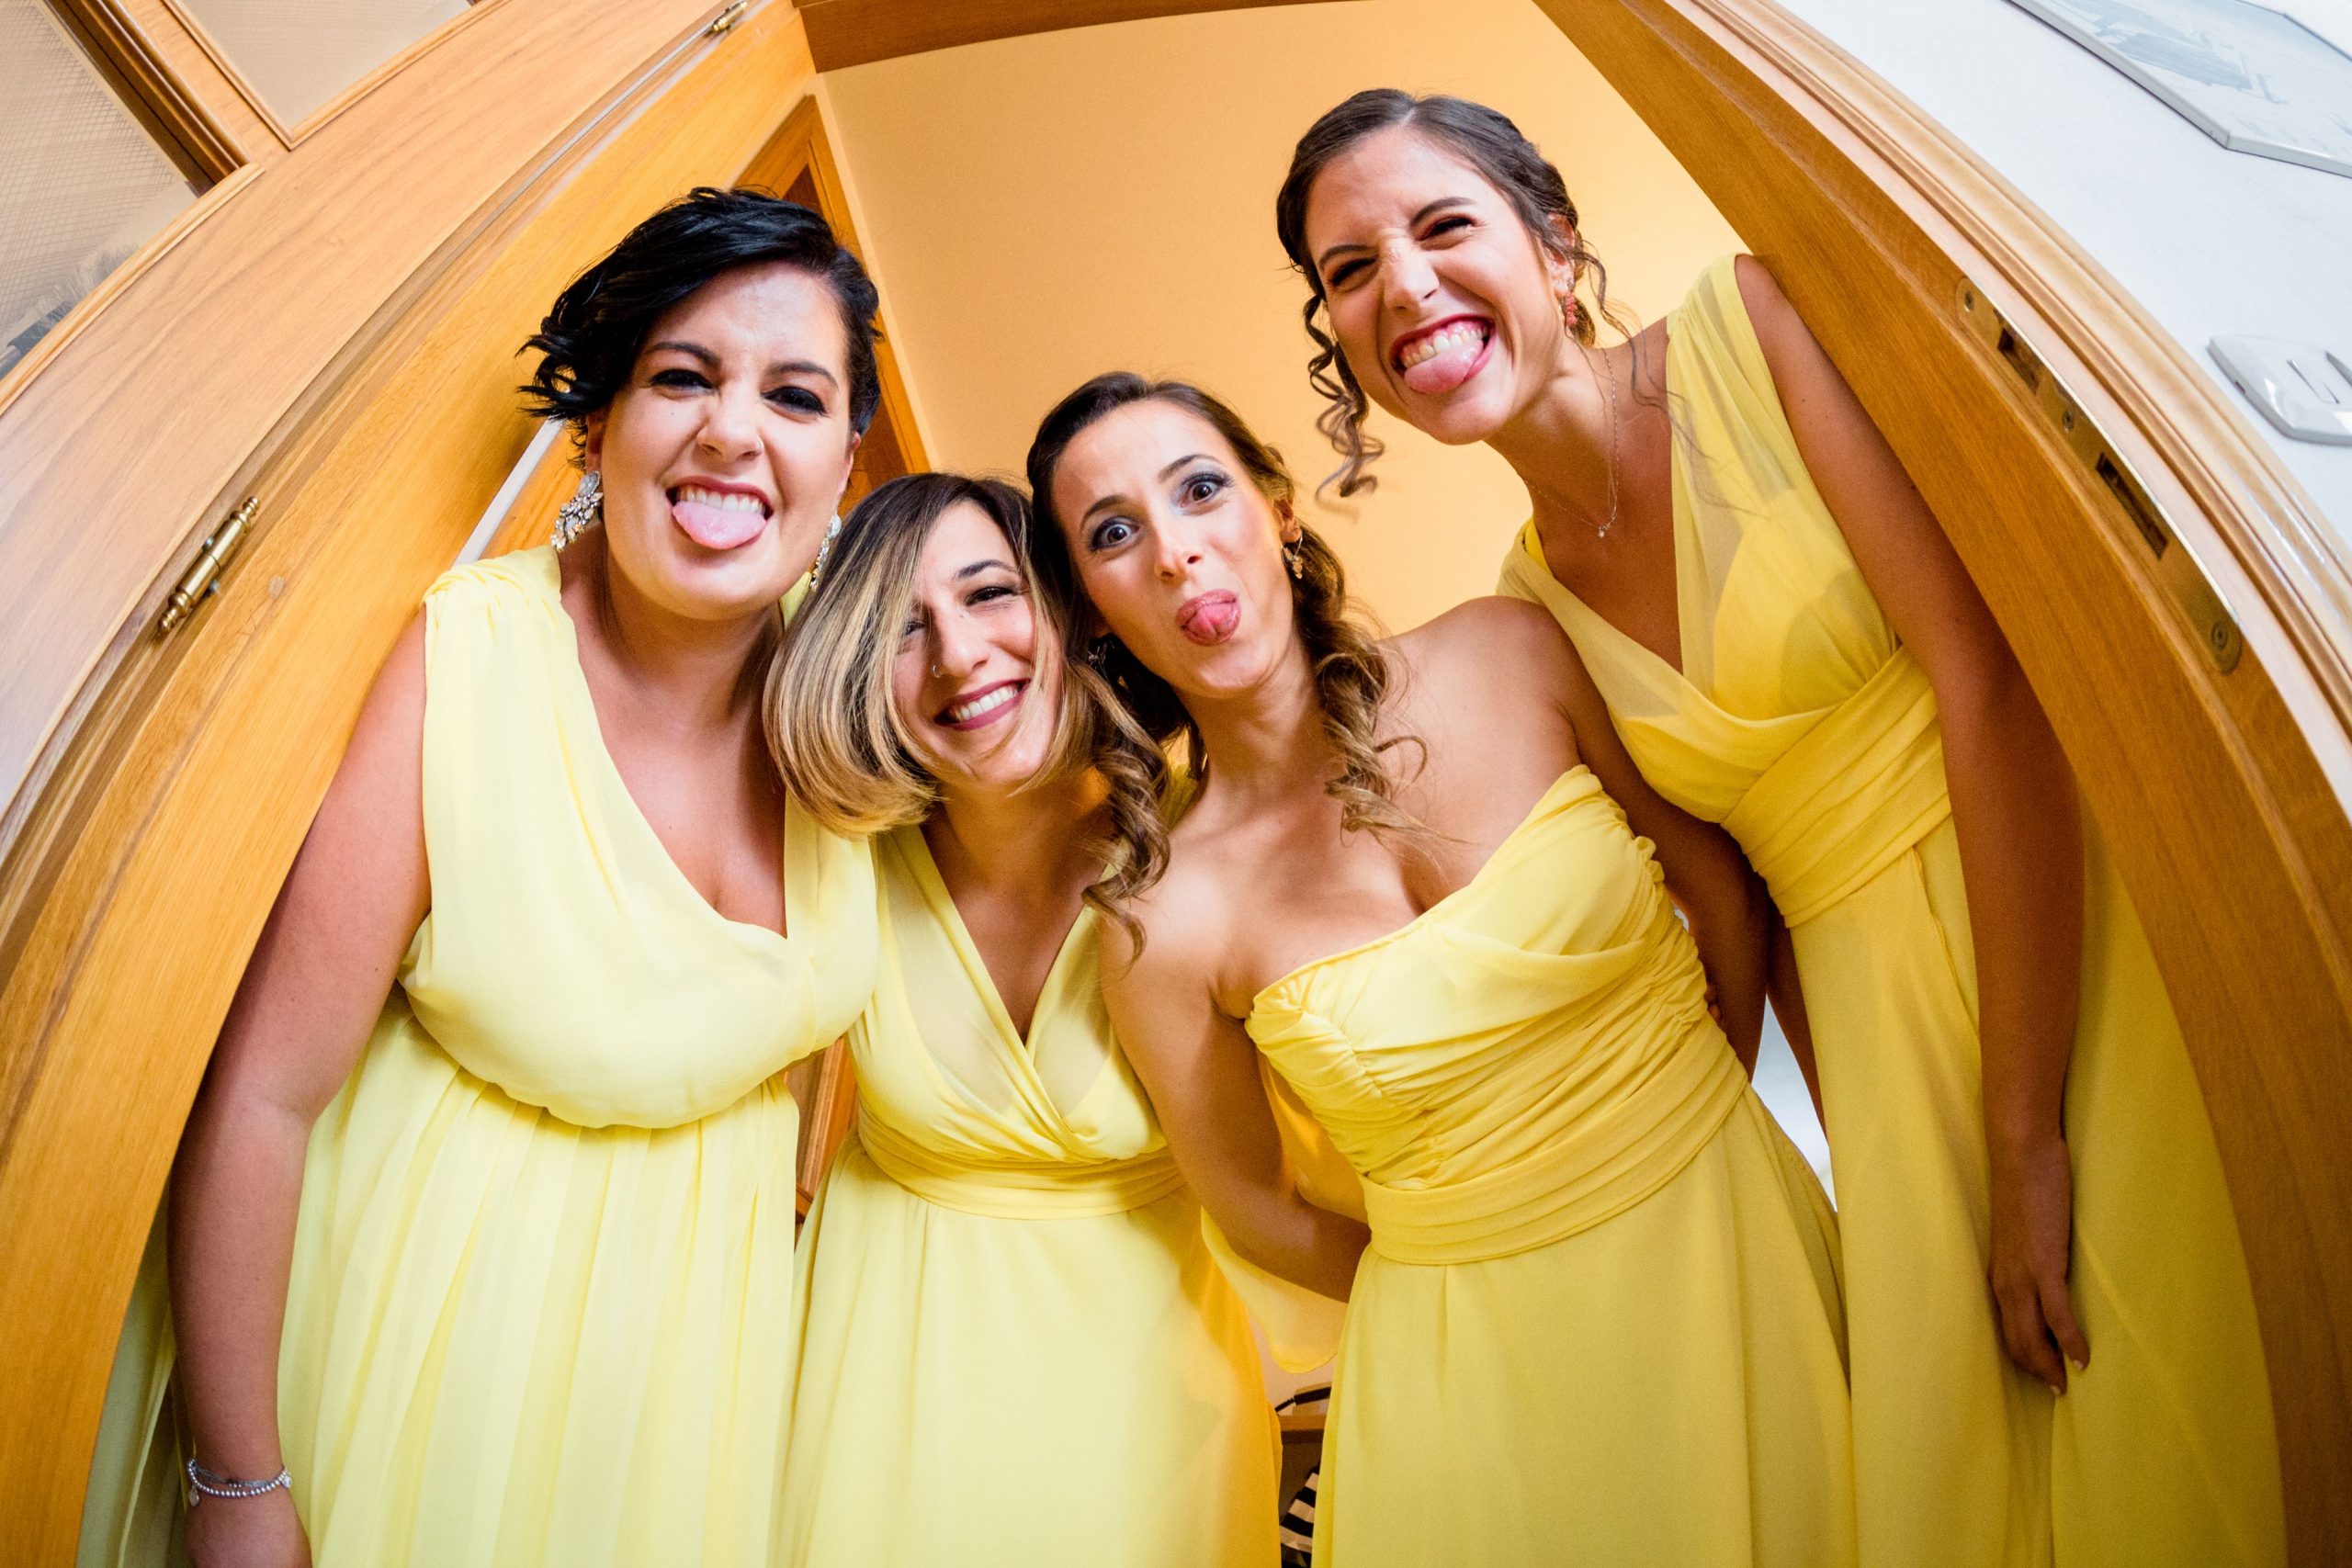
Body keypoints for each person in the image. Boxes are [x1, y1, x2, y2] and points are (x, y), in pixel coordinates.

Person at [1273, 87, 2282, 1567]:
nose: (1403, 286)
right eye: (1350, 270)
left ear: (1553, 240)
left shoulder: (1750, 330)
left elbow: (1989, 684)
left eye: (1441, 226)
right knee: (1979, 1473)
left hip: (2071, 919)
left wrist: (2022, 1133)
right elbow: (1744, 893)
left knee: (2185, 1405)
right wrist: (1878, 1164)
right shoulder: (1527, 605)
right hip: (1878, 1044)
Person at [102, 186, 883, 1568]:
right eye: (681, 377)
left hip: (680, 1416)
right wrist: (240, 1484)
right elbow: (264, 1097)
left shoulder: (865, 700)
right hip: (416, 1350)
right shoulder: (465, 660)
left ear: (843, 456)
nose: (732, 430)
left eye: (794, 395)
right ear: (600, 424)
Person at [1025, 372, 1856, 1567]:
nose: (1173, 551)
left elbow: (1720, 885)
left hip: (1733, 1247)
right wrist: (1465, 1253)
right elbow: (1253, 1205)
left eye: (1200, 489)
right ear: (1092, 611)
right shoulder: (1159, 922)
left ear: (1277, 508)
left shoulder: (1508, 650)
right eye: (1113, 533)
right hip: (1468, 1373)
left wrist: (1686, 1112)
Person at [765, 471, 1285, 1565]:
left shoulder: (1211, 856)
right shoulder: (836, 862)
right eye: (903, 629)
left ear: (1073, 614)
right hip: (872, 1407)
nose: (958, 656)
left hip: (1149, 1431)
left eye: (989, 593)